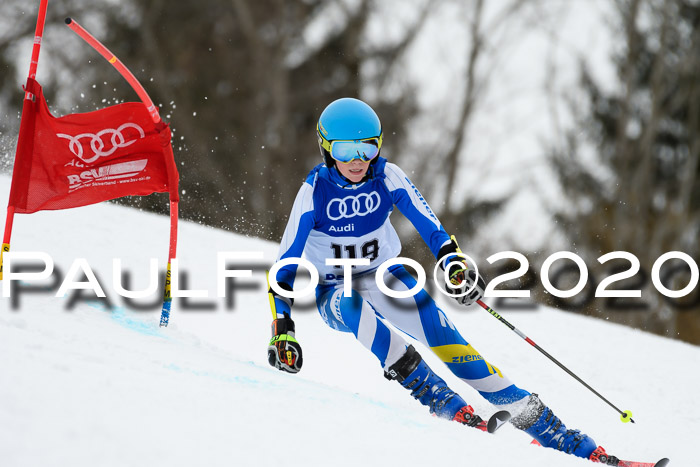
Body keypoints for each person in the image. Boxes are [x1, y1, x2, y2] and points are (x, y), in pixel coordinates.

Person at [266, 97, 616, 464]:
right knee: (353, 302)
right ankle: (438, 397)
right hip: (333, 291)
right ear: (326, 149)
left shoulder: (387, 175)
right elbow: (284, 270)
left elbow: (432, 229)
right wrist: (283, 330)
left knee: (449, 342)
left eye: (368, 146)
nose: (358, 159)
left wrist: (453, 263)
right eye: (346, 149)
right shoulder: (313, 193)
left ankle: (554, 433)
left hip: (385, 276)